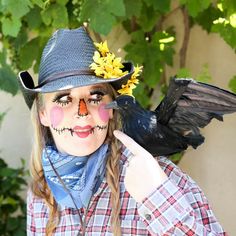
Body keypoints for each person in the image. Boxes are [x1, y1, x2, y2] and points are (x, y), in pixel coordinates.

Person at [18, 27, 227, 235]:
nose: (82, 112)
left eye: (96, 97)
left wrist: (157, 199)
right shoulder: (41, 193)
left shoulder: (160, 176)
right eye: (64, 99)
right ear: (42, 114)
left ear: (111, 109)